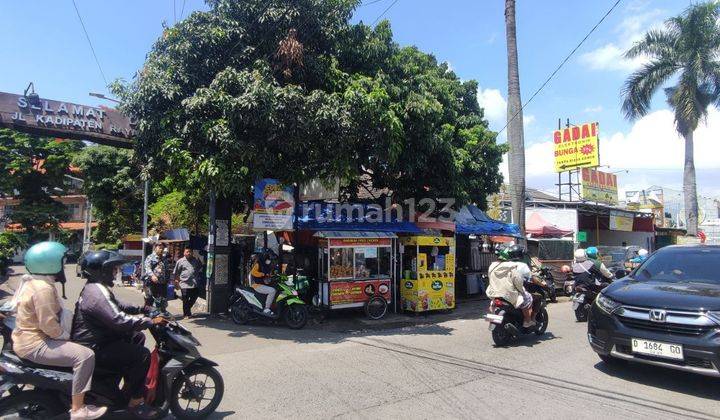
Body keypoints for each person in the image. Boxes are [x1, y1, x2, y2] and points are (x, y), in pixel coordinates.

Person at [12, 242, 106, 420]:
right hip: (36, 344)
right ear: (49, 264)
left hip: (26, 340)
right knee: (85, 355)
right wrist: (67, 337)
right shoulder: (43, 289)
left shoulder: (32, 282)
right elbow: (49, 326)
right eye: (61, 263)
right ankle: (78, 408)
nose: (63, 268)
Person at [72, 250, 167, 417]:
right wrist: (150, 321)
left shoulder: (96, 288)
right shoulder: (96, 292)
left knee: (137, 337)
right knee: (142, 355)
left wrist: (143, 308)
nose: (116, 272)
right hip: (95, 346)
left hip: (98, 338)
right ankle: (135, 401)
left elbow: (118, 305)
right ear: (102, 270)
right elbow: (119, 320)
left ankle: (123, 385)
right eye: (113, 269)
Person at [486, 245, 536, 328]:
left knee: (492, 304)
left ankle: (491, 321)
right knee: (528, 299)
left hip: (493, 293)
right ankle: (527, 321)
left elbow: (490, 278)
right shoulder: (512, 267)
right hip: (508, 295)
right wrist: (521, 290)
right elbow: (518, 281)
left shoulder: (492, 266)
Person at [173, 247, 202, 318]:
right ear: (184, 253)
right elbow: (176, 273)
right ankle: (186, 314)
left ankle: (187, 309)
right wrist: (176, 282)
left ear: (192, 253)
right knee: (185, 300)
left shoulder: (196, 260)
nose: (189, 253)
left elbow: (200, 268)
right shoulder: (180, 261)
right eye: (187, 252)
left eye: (190, 252)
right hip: (184, 284)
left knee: (194, 296)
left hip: (194, 284)